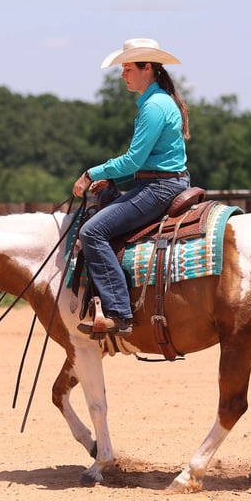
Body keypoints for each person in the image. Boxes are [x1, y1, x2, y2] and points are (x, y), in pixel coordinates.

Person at [72, 38, 191, 336]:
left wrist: (91, 173)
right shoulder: (160, 101)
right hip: (163, 182)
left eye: (127, 68)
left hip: (159, 188)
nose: (123, 74)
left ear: (146, 68)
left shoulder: (154, 106)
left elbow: (133, 161)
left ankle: (119, 313)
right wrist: (112, 180)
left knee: (91, 232)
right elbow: (144, 161)